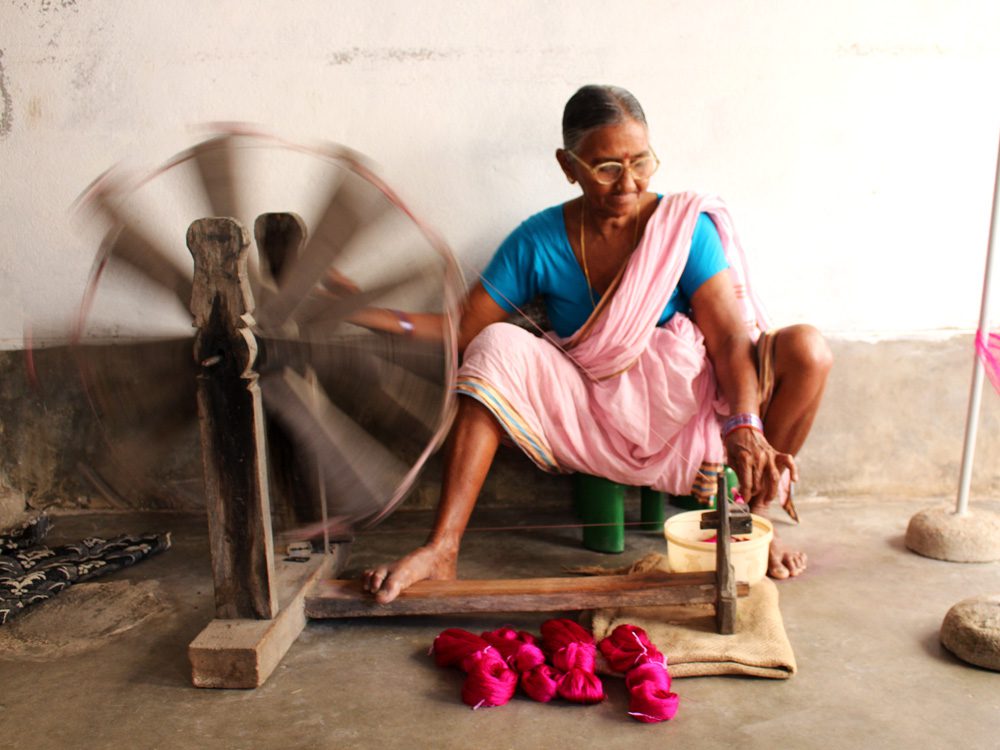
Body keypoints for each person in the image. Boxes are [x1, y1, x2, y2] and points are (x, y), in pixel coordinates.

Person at [361, 85, 832, 603]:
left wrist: (744, 425)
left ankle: (750, 524)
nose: (627, 183)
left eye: (641, 162)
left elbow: (726, 338)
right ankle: (442, 547)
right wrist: (366, 314)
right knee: (495, 345)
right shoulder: (537, 239)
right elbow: (461, 330)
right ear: (569, 165)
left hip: (685, 405)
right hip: (590, 404)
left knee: (808, 349)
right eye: (606, 167)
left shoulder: (681, 228)